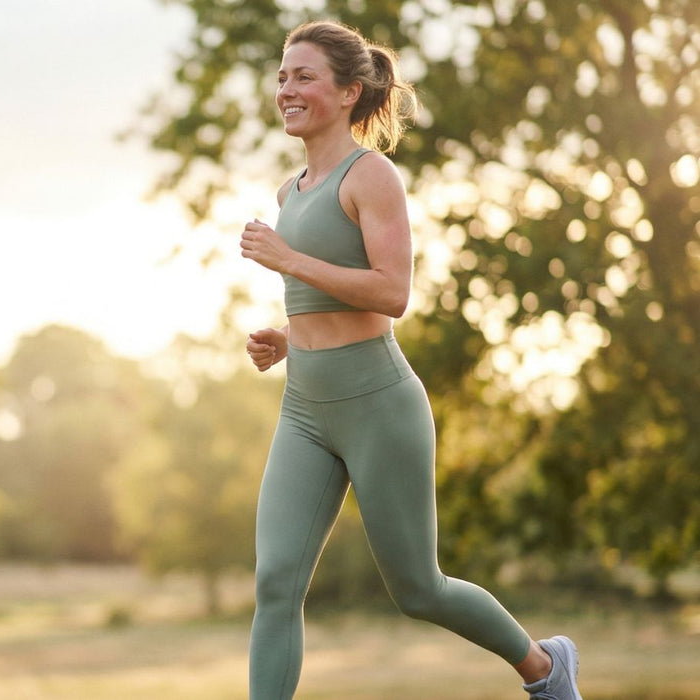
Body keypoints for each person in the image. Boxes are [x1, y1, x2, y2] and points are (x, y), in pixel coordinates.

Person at [238, 20, 582, 700]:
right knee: (276, 582)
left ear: (348, 92)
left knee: (418, 590)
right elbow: (326, 290)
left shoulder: (373, 176)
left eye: (304, 76)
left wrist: (286, 259)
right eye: (283, 77)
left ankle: (544, 668)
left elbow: (392, 292)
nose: (287, 89)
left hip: (377, 403)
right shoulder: (291, 190)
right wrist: (288, 333)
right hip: (305, 405)